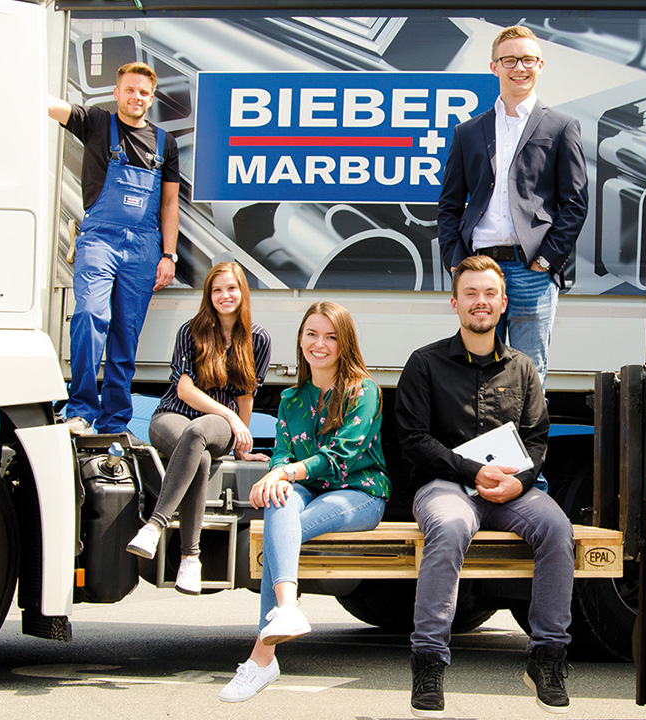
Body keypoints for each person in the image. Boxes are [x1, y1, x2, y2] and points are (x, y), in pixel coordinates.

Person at [396, 255, 574, 717]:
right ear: (455, 303)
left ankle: (548, 656)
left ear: (503, 303)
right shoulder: (425, 363)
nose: (481, 302)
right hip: (445, 487)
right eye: (471, 294)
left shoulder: (523, 368)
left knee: (557, 527)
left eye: (489, 294)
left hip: (511, 494)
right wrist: (471, 471)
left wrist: (520, 485)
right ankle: (429, 660)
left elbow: (537, 441)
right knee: (451, 527)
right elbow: (413, 439)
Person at [218, 301, 390, 703]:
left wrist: (282, 474)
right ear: (300, 339)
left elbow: (340, 456)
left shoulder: (363, 391)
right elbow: (281, 455)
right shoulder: (291, 398)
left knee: (284, 520)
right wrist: (276, 474)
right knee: (281, 503)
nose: (320, 344)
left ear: (344, 343)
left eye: (331, 336)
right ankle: (285, 611)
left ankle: (262, 657)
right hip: (310, 491)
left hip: (360, 494)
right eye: (312, 334)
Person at [436, 25, 589, 389]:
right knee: (476, 375)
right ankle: (479, 448)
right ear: (494, 67)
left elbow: (576, 203)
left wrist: (547, 259)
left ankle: (527, 449)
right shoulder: (468, 132)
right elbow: (450, 205)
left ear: (540, 65)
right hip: (479, 269)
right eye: (510, 60)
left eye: (527, 59)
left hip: (531, 271)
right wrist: (455, 261)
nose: (519, 67)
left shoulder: (562, 126)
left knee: (529, 378)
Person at [48, 61, 180, 435]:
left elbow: (170, 204)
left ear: (151, 98)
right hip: (99, 240)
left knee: (126, 335)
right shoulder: (94, 122)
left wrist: (168, 254)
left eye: (143, 92)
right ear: (116, 92)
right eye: (130, 89)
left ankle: (114, 420)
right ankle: (81, 409)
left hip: (144, 247)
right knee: (90, 316)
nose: (136, 96)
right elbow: (48, 105)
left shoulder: (164, 144)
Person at [125, 262, 271, 594]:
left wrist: (240, 445)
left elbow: (246, 394)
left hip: (216, 426)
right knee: (199, 458)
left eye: (231, 288)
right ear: (209, 295)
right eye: (217, 290)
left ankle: (155, 526)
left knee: (198, 437)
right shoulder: (191, 331)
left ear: (242, 292)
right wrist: (231, 416)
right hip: (172, 416)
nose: (225, 296)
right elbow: (185, 390)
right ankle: (191, 558)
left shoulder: (257, 338)